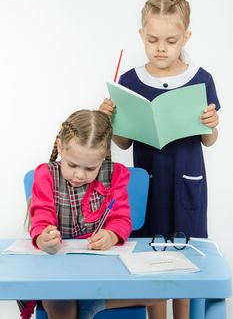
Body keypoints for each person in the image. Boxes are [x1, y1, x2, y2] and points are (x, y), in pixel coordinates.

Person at [99, 0, 220, 319]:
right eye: (153, 40)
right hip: (149, 184)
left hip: (185, 184)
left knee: (185, 261)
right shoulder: (129, 81)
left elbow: (209, 140)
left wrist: (211, 123)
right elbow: (123, 143)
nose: (161, 48)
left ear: (186, 37)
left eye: (171, 40)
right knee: (151, 260)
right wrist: (111, 121)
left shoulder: (200, 79)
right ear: (141, 35)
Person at [18, 109, 162, 319]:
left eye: (90, 168)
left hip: (101, 268)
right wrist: (43, 238)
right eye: (72, 164)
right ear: (60, 147)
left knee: (161, 291)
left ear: (102, 158)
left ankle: (93, 303)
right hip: (57, 270)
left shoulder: (115, 175)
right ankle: (89, 303)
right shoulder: (46, 175)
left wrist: (112, 235)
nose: (79, 174)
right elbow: (41, 216)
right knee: (61, 305)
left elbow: (121, 219)